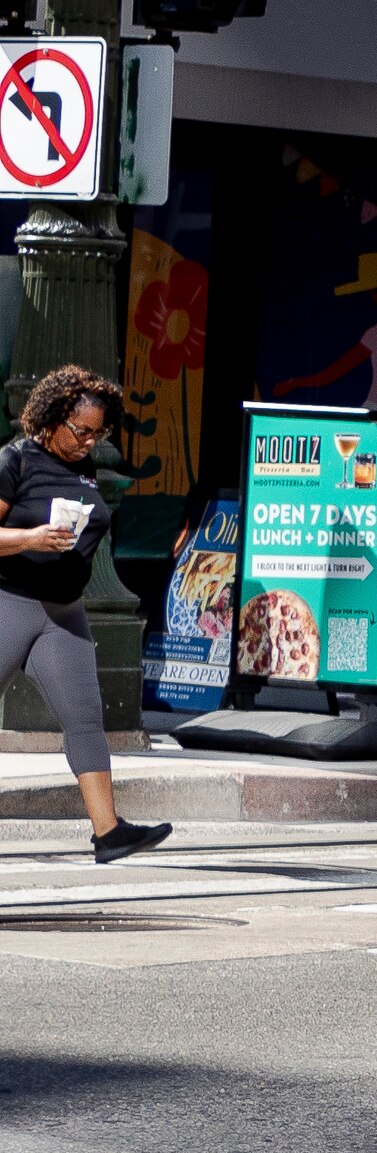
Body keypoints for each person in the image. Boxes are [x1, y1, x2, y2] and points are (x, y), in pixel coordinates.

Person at [0, 367, 164, 865]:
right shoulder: (15, 460)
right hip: (10, 601)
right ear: (52, 418)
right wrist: (30, 538)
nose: (89, 441)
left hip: (63, 612)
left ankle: (108, 832)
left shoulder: (86, 469)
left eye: (99, 433)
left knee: (85, 718)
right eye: (82, 431)